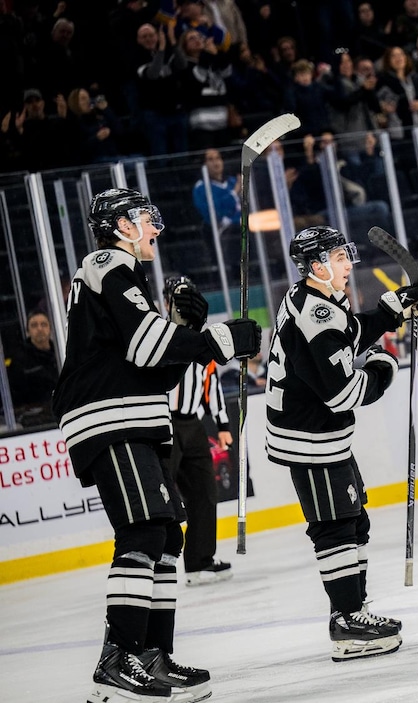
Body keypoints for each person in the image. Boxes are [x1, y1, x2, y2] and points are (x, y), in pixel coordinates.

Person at [55, 188, 260, 703]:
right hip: (109, 419)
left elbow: (155, 367)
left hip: (133, 418)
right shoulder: (106, 265)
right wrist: (217, 340)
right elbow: (147, 344)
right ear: (121, 224)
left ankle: (151, 656)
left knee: (167, 536)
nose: (154, 228)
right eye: (145, 218)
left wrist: (191, 332)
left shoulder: (126, 275)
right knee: (144, 530)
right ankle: (118, 659)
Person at [264, 225, 418, 662]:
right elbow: (342, 392)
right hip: (309, 437)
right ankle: (347, 620)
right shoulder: (314, 314)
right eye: (339, 258)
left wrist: (391, 310)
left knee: (353, 522)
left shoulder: (317, 298)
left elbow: (348, 334)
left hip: (323, 433)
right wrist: (385, 368)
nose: (347, 264)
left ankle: (355, 611)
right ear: (317, 266)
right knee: (335, 527)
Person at [161, 275, 235, 587]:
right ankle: (157, 562)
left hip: (191, 424)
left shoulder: (203, 342)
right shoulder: (159, 335)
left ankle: (200, 560)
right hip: (163, 424)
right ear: (167, 302)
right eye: (178, 297)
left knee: (205, 492)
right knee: (161, 497)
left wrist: (222, 425)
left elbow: (212, 385)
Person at [6, 311, 59, 427]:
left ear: (50, 328)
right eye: (34, 325)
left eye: (44, 324)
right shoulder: (19, 360)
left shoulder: (60, 352)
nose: (40, 329)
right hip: (35, 419)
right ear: (28, 332)